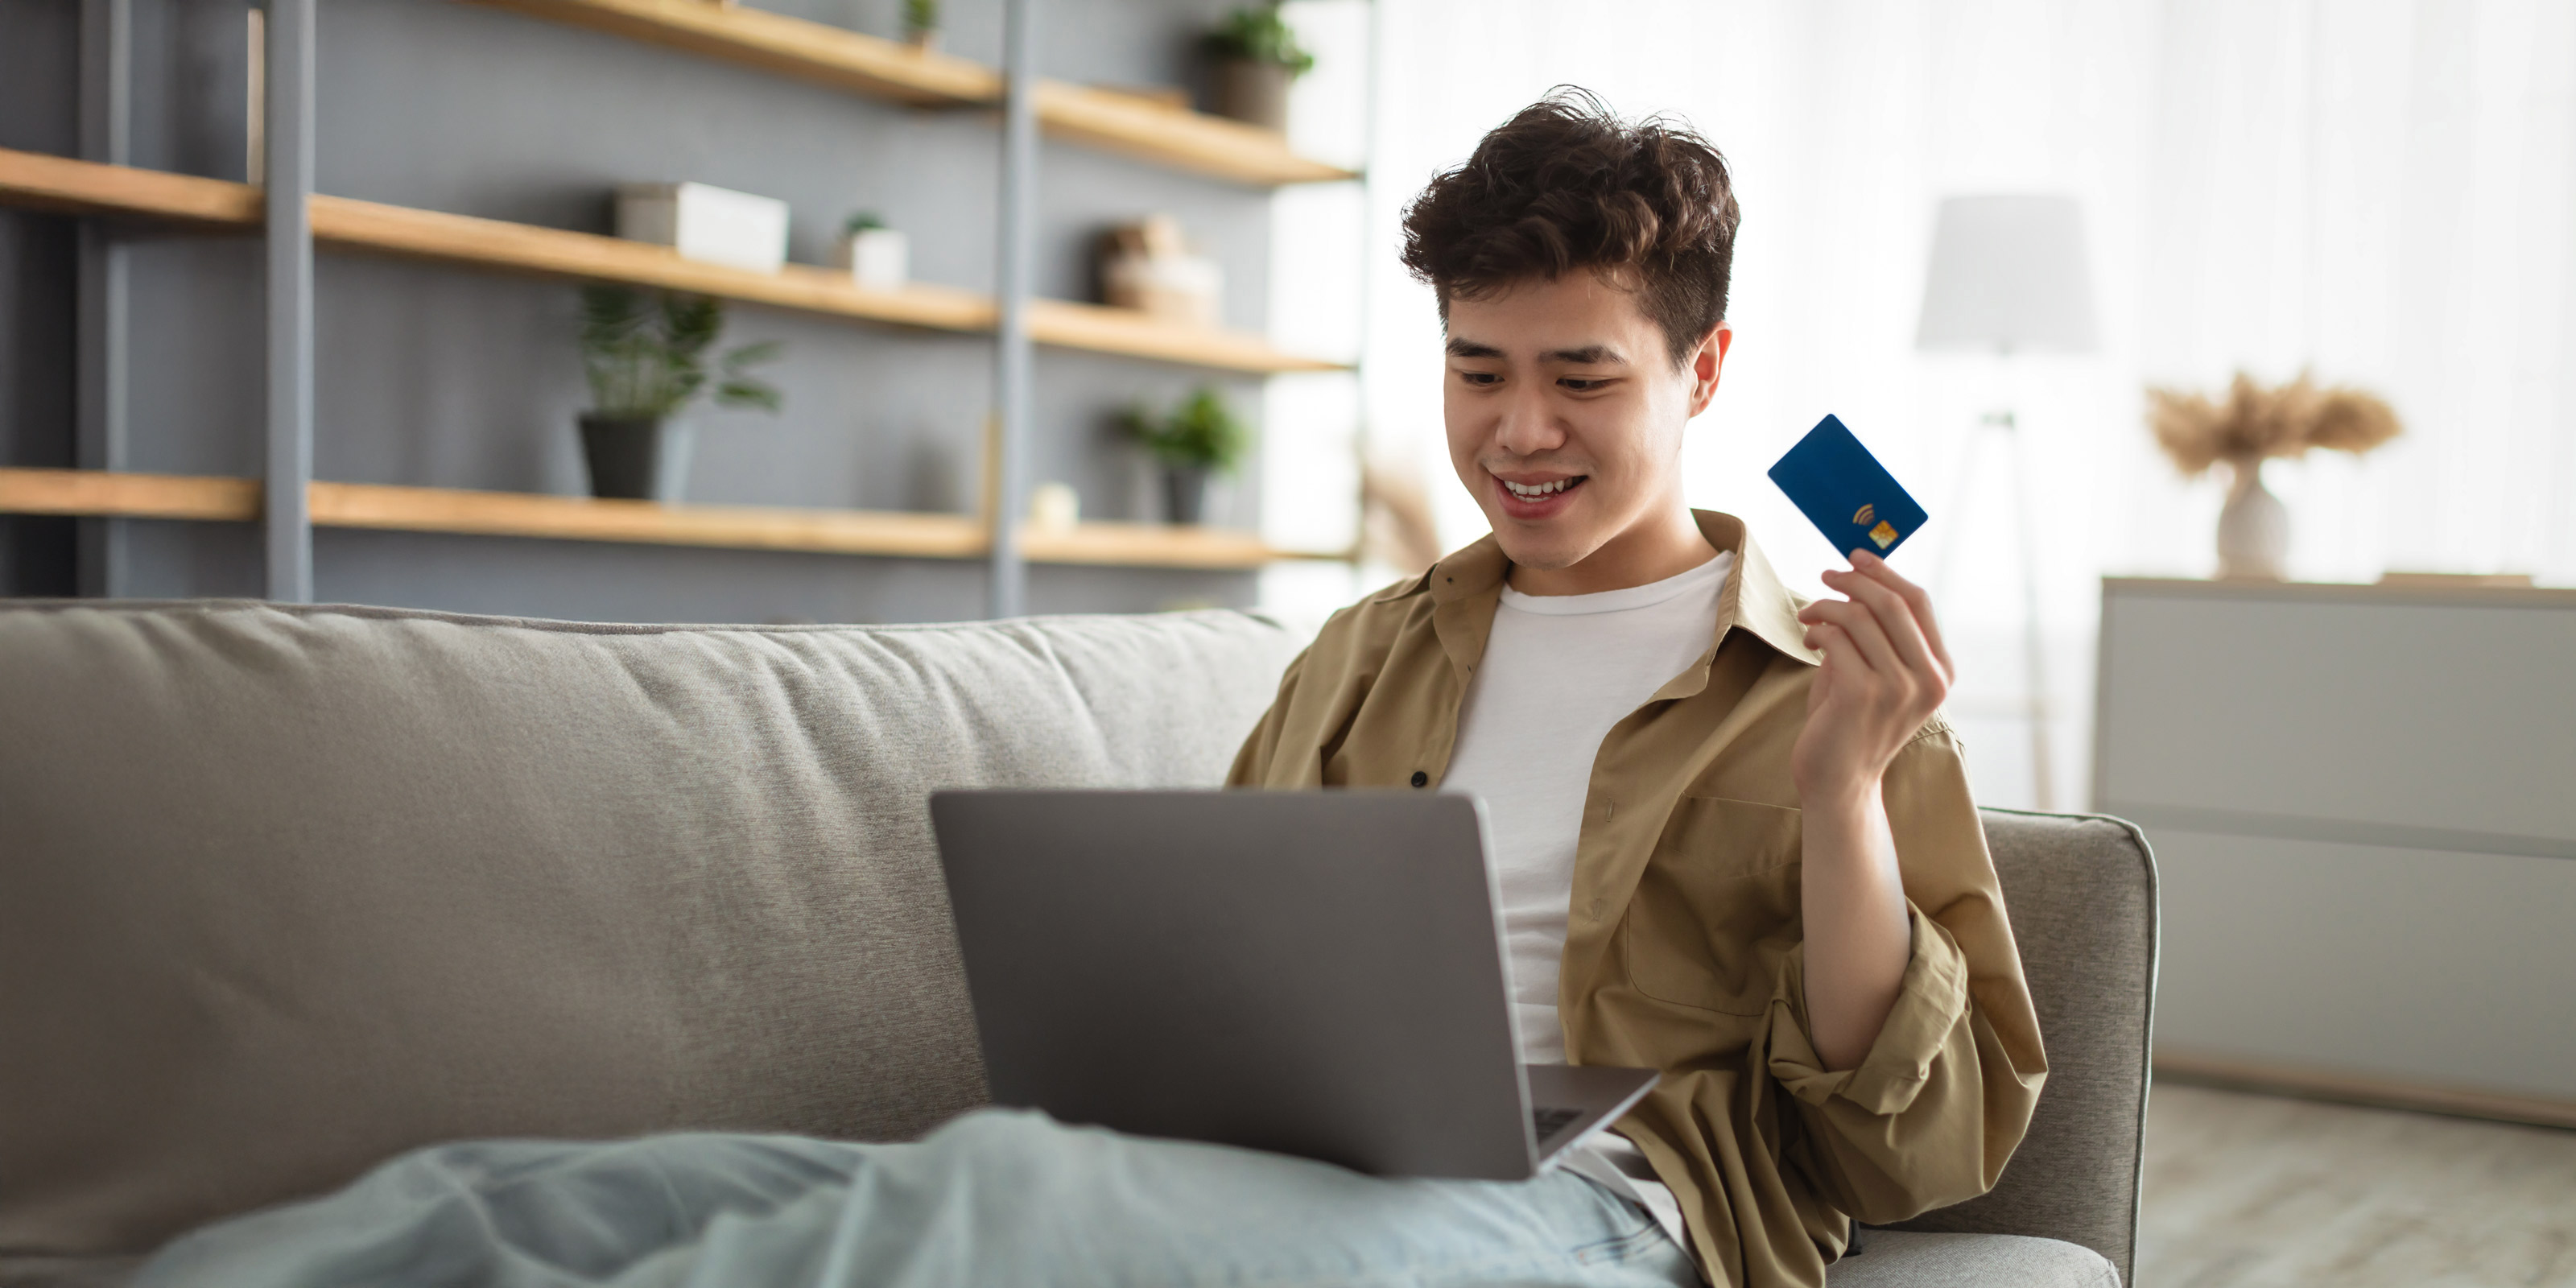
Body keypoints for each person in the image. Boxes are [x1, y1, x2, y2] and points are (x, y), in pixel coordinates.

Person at [136, 91, 2042, 1288]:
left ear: (1702, 374)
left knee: (981, 1213)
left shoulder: (1831, 679)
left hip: (1605, 1210)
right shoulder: (1372, 648)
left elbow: (1909, 1144)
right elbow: (1218, 956)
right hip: (1278, 1157)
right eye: (1476, 370)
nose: (1516, 430)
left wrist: (1839, 794)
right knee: (502, 1198)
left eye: (1581, 377)